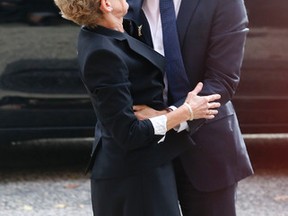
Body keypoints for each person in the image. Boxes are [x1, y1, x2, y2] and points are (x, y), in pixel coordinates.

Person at [53, 0, 221, 215]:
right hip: (133, 177)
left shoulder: (116, 29)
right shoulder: (101, 53)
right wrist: (186, 112)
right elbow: (129, 133)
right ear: (106, 4)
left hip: (147, 166)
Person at [126, 0, 254, 215]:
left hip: (206, 141)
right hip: (144, 148)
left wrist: (169, 116)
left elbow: (222, 80)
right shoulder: (122, 3)